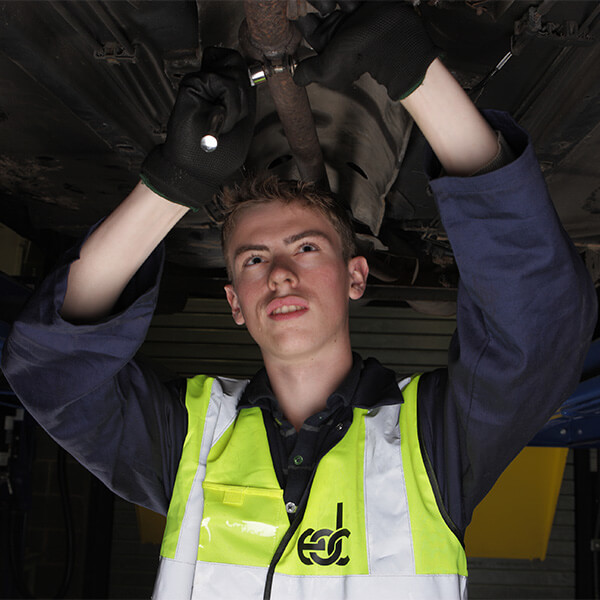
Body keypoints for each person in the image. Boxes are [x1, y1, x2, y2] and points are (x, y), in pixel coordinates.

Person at [1, 3, 596, 599]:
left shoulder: (433, 445)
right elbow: (54, 368)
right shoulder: (188, 442)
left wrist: (418, 74)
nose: (281, 273)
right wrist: (173, 185)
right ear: (235, 302)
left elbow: (535, 331)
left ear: (356, 277)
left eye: (306, 248)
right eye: (255, 259)